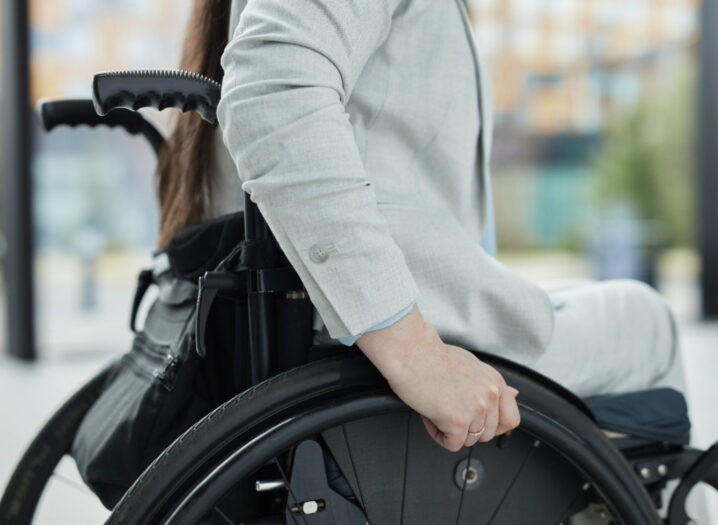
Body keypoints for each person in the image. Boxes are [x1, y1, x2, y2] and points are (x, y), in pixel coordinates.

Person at [156, 0, 686, 454]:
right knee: (646, 324)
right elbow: (274, 90)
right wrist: (414, 353)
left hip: (314, 319)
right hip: (367, 325)